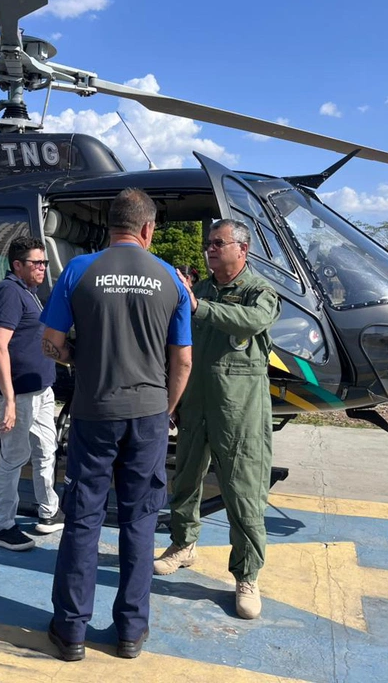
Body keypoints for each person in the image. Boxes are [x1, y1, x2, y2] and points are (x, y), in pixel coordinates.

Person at [41, 188, 193, 661]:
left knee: (83, 520)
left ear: (112, 225)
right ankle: (130, 631)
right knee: (139, 522)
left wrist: (78, 358)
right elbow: (183, 361)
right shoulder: (170, 278)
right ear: (147, 228)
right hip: (148, 415)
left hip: (94, 412)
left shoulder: (79, 270)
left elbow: (51, 340)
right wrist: (166, 408)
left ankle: (71, 631)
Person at [153, 218, 280, 621]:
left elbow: (252, 321)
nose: (210, 248)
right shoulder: (202, 290)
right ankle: (183, 544)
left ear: (242, 249)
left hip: (239, 413)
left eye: (218, 243)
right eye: (208, 243)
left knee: (243, 494)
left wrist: (198, 306)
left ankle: (247, 575)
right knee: (186, 481)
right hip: (197, 406)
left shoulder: (259, 292)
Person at [0, 236, 62, 552]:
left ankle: (49, 510)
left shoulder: (29, 293)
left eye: (44, 262)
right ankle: (2, 525)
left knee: (46, 449)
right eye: (36, 263)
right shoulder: (9, 293)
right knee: (14, 457)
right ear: (17, 265)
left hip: (41, 389)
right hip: (21, 394)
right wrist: (10, 401)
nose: (43, 267)